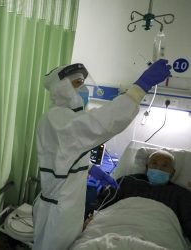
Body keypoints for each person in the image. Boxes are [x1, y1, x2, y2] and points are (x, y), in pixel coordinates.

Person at [33, 59, 171, 250]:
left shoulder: (65, 118)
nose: (84, 89)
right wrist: (139, 88)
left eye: (83, 83)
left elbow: (64, 158)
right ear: (61, 88)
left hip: (66, 206)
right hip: (58, 211)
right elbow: (101, 123)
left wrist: (92, 169)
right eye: (77, 83)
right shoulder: (58, 118)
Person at [91, 150, 191, 241]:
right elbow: (103, 201)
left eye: (165, 165)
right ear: (147, 167)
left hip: (159, 235)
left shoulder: (181, 194)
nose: (158, 168)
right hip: (115, 227)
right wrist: (90, 217)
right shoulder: (127, 181)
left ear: (172, 172)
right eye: (154, 163)